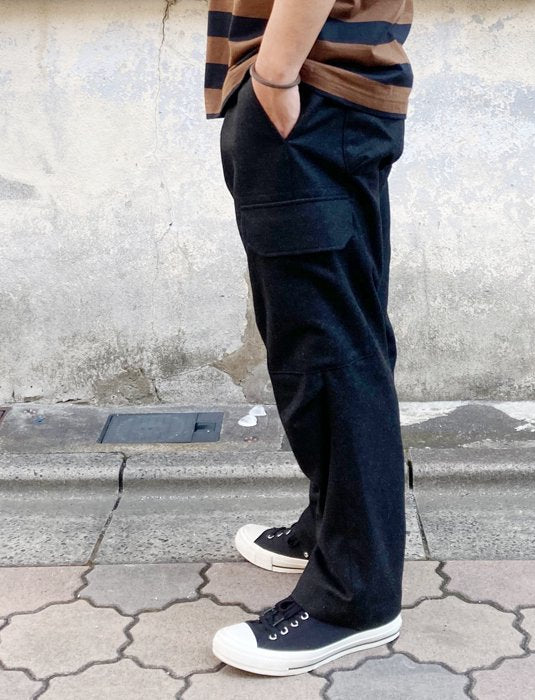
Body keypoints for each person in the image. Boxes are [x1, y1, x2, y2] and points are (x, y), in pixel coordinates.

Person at [204, 0, 414, 676]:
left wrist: (273, 75)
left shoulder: (292, 84)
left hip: (310, 93)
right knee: (339, 336)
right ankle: (333, 529)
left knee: (326, 353)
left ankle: (354, 597)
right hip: (328, 94)